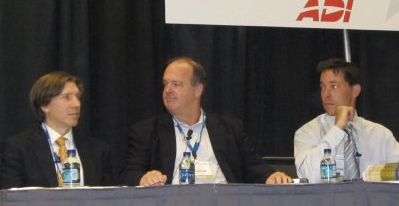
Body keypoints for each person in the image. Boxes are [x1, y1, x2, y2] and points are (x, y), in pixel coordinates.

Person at [123, 57, 293, 186]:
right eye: (165, 84)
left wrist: (271, 176)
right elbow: (130, 173)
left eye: (176, 84)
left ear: (197, 90)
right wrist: (144, 177)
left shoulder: (230, 128)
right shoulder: (147, 131)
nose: (168, 90)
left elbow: (252, 165)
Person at [294, 58, 399, 183]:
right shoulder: (307, 133)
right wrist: (337, 129)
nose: (326, 94)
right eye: (322, 87)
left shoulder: (380, 134)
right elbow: (308, 176)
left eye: (333, 86)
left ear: (355, 90)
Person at [0, 71, 114, 189]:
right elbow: (12, 201)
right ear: (44, 105)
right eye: (67, 97)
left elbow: (108, 200)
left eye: (78, 97)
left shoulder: (98, 150)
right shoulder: (19, 148)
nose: (76, 104)